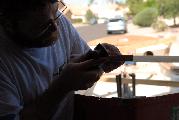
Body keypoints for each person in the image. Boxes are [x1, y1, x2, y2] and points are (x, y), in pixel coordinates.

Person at [0, 0, 124, 120]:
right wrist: (61, 87)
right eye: (43, 27)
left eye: (56, 14)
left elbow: (82, 59)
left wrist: (100, 60)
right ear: (9, 25)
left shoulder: (57, 20)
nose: (55, 27)